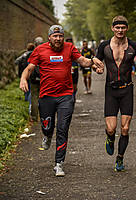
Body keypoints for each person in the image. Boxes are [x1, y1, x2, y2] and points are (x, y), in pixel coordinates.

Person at [19, 25, 104, 177]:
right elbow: (29, 68)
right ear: (49, 37)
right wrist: (23, 79)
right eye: (55, 36)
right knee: (46, 125)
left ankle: (59, 163)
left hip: (66, 96)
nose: (58, 39)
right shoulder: (40, 50)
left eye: (60, 36)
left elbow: (83, 61)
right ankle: (47, 134)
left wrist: (93, 61)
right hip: (46, 96)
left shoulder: (69, 48)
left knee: (63, 128)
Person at [95, 16, 136, 171]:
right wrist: (98, 68)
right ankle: (110, 138)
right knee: (111, 128)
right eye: (117, 27)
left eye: (123, 28)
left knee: (125, 129)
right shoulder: (104, 46)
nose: (120, 30)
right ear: (112, 28)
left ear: (127, 28)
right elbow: (96, 61)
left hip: (127, 89)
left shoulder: (134, 46)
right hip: (111, 91)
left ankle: (120, 159)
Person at [15, 43, 35, 114]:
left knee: (26, 87)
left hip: (24, 73)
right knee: (31, 89)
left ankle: (26, 99)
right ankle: (30, 103)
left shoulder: (24, 54)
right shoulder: (34, 53)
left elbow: (16, 61)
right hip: (32, 74)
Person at [30, 36, 44, 122]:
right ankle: (44, 115)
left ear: (35, 44)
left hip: (34, 79)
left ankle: (34, 116)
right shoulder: (45, 52)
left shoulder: (33, 53)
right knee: (43, 97)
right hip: (43, 78)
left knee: (34, 97)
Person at [65, 37, 79, 101]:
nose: (69, 43)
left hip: (75, 70)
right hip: (66, 71)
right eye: (68, 41)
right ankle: (70, 98)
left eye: (70, 41)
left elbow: (81, 59)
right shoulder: (62, 50)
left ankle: (73, 95)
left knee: (75, 86)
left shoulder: (75, 50)